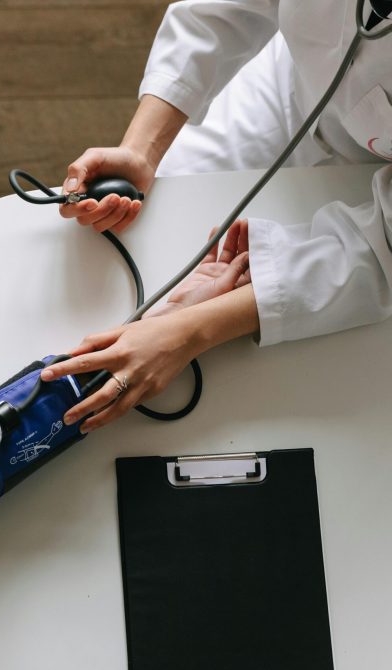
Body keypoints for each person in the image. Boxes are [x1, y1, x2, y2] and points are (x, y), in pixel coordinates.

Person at [42, 1, 392, 432]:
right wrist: (142, 150)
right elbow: (221, 8)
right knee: (153, 234)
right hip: (282, 92)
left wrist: (189, 333)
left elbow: (383, 248)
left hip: (370, 172)